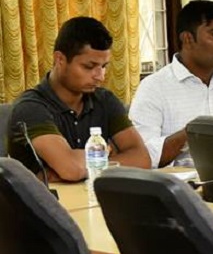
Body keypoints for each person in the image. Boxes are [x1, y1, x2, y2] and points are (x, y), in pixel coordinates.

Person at [6, 17, 151, 180]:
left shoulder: (105, 100)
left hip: (96, 195)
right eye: (89, 67)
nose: (100, 76)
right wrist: (108, 152)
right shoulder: (30, 107)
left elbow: (142, 158)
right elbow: (72, 169)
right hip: (45, 197)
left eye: (103, 66)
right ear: (60, 59)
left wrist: (76, 168)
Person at [129, 0, 213, 167]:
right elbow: (143, 156)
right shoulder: (154, 87)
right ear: (188, 39)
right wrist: (191, 133)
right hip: (186, 181)